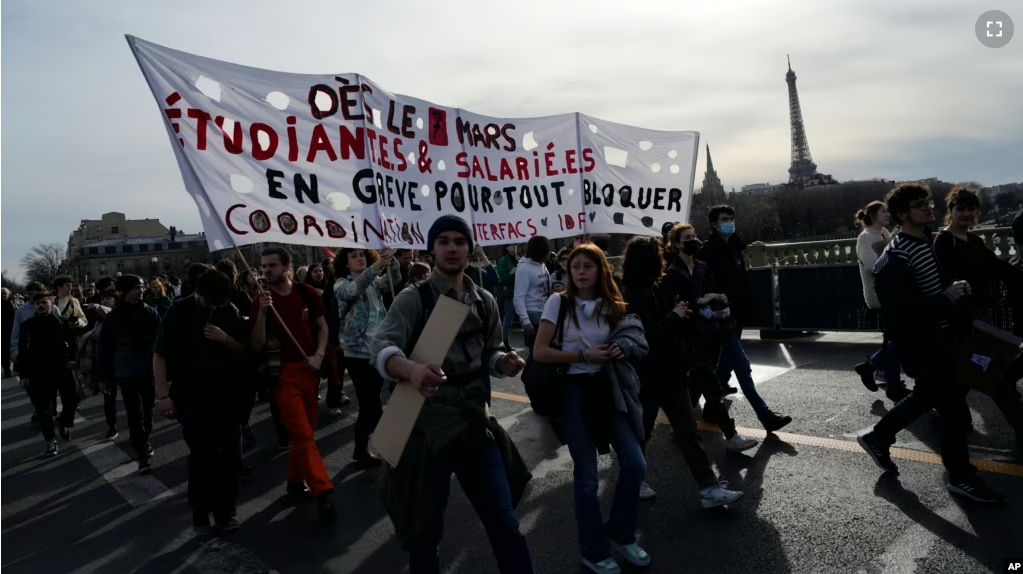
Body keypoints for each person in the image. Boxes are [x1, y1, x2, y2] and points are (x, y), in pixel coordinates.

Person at [371, 215, 534, 573]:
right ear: (432, 249)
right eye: (443, 241)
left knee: (505, 523)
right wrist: (411, 370)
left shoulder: (484, 300)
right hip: (426, 428)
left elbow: (489, 349)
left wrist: (501, 361)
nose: (451, 248)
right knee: (426, 534)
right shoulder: (414, 300)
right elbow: (380, 350)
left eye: (459, 241)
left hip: (475, 423)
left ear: (469, 248)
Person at [858, 183, 1005, 503]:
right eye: (919, 205)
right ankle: (961, 478)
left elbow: (934, 281)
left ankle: (878, 436)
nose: (928, 207)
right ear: (901, 214)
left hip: (938, 340)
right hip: (923, 346)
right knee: (953, 412)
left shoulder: (921, 241)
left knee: (928, 398)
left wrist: (952, 286)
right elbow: (903, 315)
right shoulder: (894, 258)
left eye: (928, 202)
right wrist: (946, 299)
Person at [532, 243, 649, 573]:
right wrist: (583, 356)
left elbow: (631, 337)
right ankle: (593, 550)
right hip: (570, 392)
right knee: (586, 478)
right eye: (575, 266)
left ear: (600, 270)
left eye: (588, 265)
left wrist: (622, 349)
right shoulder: (558, 303)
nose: (580, 271)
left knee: (635, 464)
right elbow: (540, 352)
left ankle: (621, 534)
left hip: (606, 389)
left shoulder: (612, 306)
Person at [620, 236, 748, 506]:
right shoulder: (630, 294)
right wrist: (675, 315)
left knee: (688, 431)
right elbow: (650, 334)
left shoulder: (652, 287)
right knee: (642, 432)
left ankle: (708, 488)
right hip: (648, 374)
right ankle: (633, 478)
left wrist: (679, 311)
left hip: (670, 370)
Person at [668, 224, 792, 433]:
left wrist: (719, 296)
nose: (692, 240)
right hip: (697, 332)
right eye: (687, 237)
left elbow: (713, 289)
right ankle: (684, 423)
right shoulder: (673, 273)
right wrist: (700, 300)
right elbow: (678, 303)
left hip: (720, 324)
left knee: (740, 366)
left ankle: (765, 416)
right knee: (702, 378)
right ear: (677, 244)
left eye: (693, 236)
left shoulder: (701, 266)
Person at [154, 270, 250, 534]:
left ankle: (226, 511)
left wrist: (225, 339)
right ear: (199, 293)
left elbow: (245, 349)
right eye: (211, 301)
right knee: (204, 455)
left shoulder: (228, 309)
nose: (215, 306)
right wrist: (163, 395)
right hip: (191, 395)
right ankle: (200, 514)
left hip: (226, 394)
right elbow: (160, 355)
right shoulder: (179, 311)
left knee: (232, 457)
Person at [250, 247, 337, 521]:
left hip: (309, 370)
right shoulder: (260, 301)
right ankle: (323, 491)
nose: (266, 271)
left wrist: (319, 354)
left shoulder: (307, 293)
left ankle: (294, 482)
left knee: (307, 431)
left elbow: (322, 327)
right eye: (263, 266)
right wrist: (263, 313)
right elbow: (256, 344)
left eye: (272, 265)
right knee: (301, 433)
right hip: (282, 375)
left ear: (287, 267)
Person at [933, 186, 1023, 447]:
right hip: (961, 318)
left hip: (978, 316)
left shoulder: (973, 241)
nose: (967, 213)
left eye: (971, 209)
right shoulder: (943, 241)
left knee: (970, 374)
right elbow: (943, 278)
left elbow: (997, 267)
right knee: (991, 375)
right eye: (960, 208)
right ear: (950, 211)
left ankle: (950, 415)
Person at [333, 246, 401, 464]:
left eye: (362, 254)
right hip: (357, 353)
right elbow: (354, 290)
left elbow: (395, 278)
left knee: (371, 404)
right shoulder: (341, 284)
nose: (359, 258)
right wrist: (376, 266)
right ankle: (380, 446)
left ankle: (364, 447)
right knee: (370, 404)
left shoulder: (374, 281)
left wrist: (392, 259)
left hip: (377, 350)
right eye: (353, 256)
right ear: (346, 263)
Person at [98, 275, 162, 473]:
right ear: (124, 291)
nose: (141, 291)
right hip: (126, 373)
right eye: (136, 288)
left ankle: (144, 440)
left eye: (142, 287)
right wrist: (104, 378)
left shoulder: (151, 313)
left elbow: (161, 345)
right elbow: (105, 350)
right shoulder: (113, 318)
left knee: (149, 412)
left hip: (149, 371)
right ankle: (142, 453)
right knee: (135, 414)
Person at [852, 201, 909, 401]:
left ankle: (884, 378)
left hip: (893, 293)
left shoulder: (885, 231)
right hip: (879, 296)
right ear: (873, 215)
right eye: (883, 211)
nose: (887, 214)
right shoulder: (865, 237)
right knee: (899, 338)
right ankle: (877, 371)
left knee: (895, 339)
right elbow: (872, 266)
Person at [698, 205, 752, 395]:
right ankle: (761, 410)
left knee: (729, 352)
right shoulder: (708, 251)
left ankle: (717, 387)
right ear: (714, 224)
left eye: (731, 218)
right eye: (725, 219)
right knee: (736, 355)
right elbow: (707, 281)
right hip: (722, 309)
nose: (730, 222)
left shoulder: (736, 246)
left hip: (739, 305)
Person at [18, 291, 80, 458]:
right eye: (38, 303)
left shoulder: (61, 322)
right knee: (44, 408)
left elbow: (74, 342)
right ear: (34, 307)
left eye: (44, 302)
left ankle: (63, 421)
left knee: (74, 396)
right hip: (39, 371)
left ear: (51, 304)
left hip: (61, 368)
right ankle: (50, 441)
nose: (41, 305)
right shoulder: (28, 325)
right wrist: (23, 374)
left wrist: (72, 359)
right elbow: (22, 351)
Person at [514, 236, 553, 352]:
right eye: (547, 249)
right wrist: (526, 322)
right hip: (533, 318)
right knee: (536, 354)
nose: (550, 252)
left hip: (545, 314)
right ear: (540, 250)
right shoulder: (524, 269)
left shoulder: (542, 265)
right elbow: (518, 298)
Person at [496, 244, 519, 352]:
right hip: (510, 295)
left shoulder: (519, 260)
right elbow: (500, 280)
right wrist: (511, 273)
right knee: (508, 320)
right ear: (505, 247)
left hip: (521, 294)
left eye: (515, 245)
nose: (514, 247)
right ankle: (505, 342)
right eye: (511, 245)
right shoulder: (503, 261)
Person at [3, 288, 16, 378]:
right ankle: (6, 368)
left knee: (13, 349)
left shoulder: (13, 303)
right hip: (2, 331)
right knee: (4, 351)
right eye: (1, 293)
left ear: (8, 294)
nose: (3, 295)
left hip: (12, 330)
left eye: (4, 293)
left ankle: (16, 367)